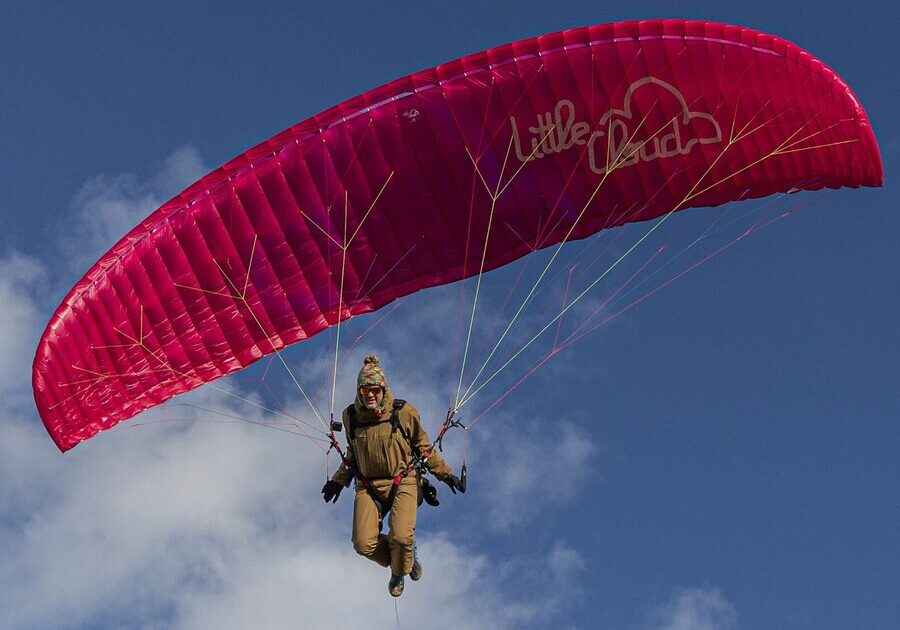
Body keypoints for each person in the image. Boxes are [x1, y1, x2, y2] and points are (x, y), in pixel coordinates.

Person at [321, 355, 464, 597]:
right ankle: (405, 559)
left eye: (375, 390)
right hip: (368, 486)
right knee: (363, 544)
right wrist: (338, 480)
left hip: (403, 480)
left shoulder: (403, 412)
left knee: (401, 537)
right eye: (365, 390)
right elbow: (352, 455)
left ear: (383, 389)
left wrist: (445, 474)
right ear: (359, 390)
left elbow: (424, 448)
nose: (370, 395)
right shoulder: (351, 417)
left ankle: (399, 570)